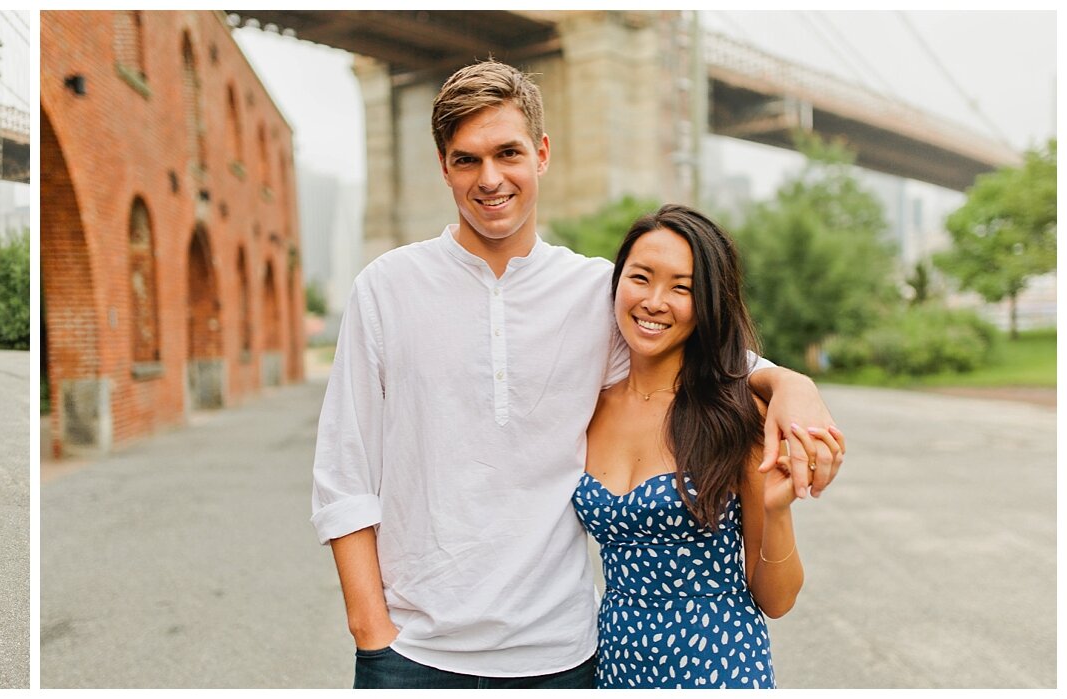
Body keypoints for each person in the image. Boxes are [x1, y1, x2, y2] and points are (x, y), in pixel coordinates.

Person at [310, 60, 844, 689]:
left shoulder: (598, 292)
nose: (490, 179)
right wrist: (372, 632)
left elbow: (710, 358)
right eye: (466, 159)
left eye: (508, 153)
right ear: (443, 166)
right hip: (415, 653)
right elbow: (343, 476)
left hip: (563, 656)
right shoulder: (386, 288)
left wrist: (790, 384)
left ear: (540, 153)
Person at [575, 205, 833, 688]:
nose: (654, 301)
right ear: (616, 284)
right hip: (614, 665)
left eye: (682, 287)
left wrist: (777, 513)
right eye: (641, 277)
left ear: (710, 303)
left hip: (719, 667)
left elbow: (777, 601)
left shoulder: (737, 414)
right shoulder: (587, 408)